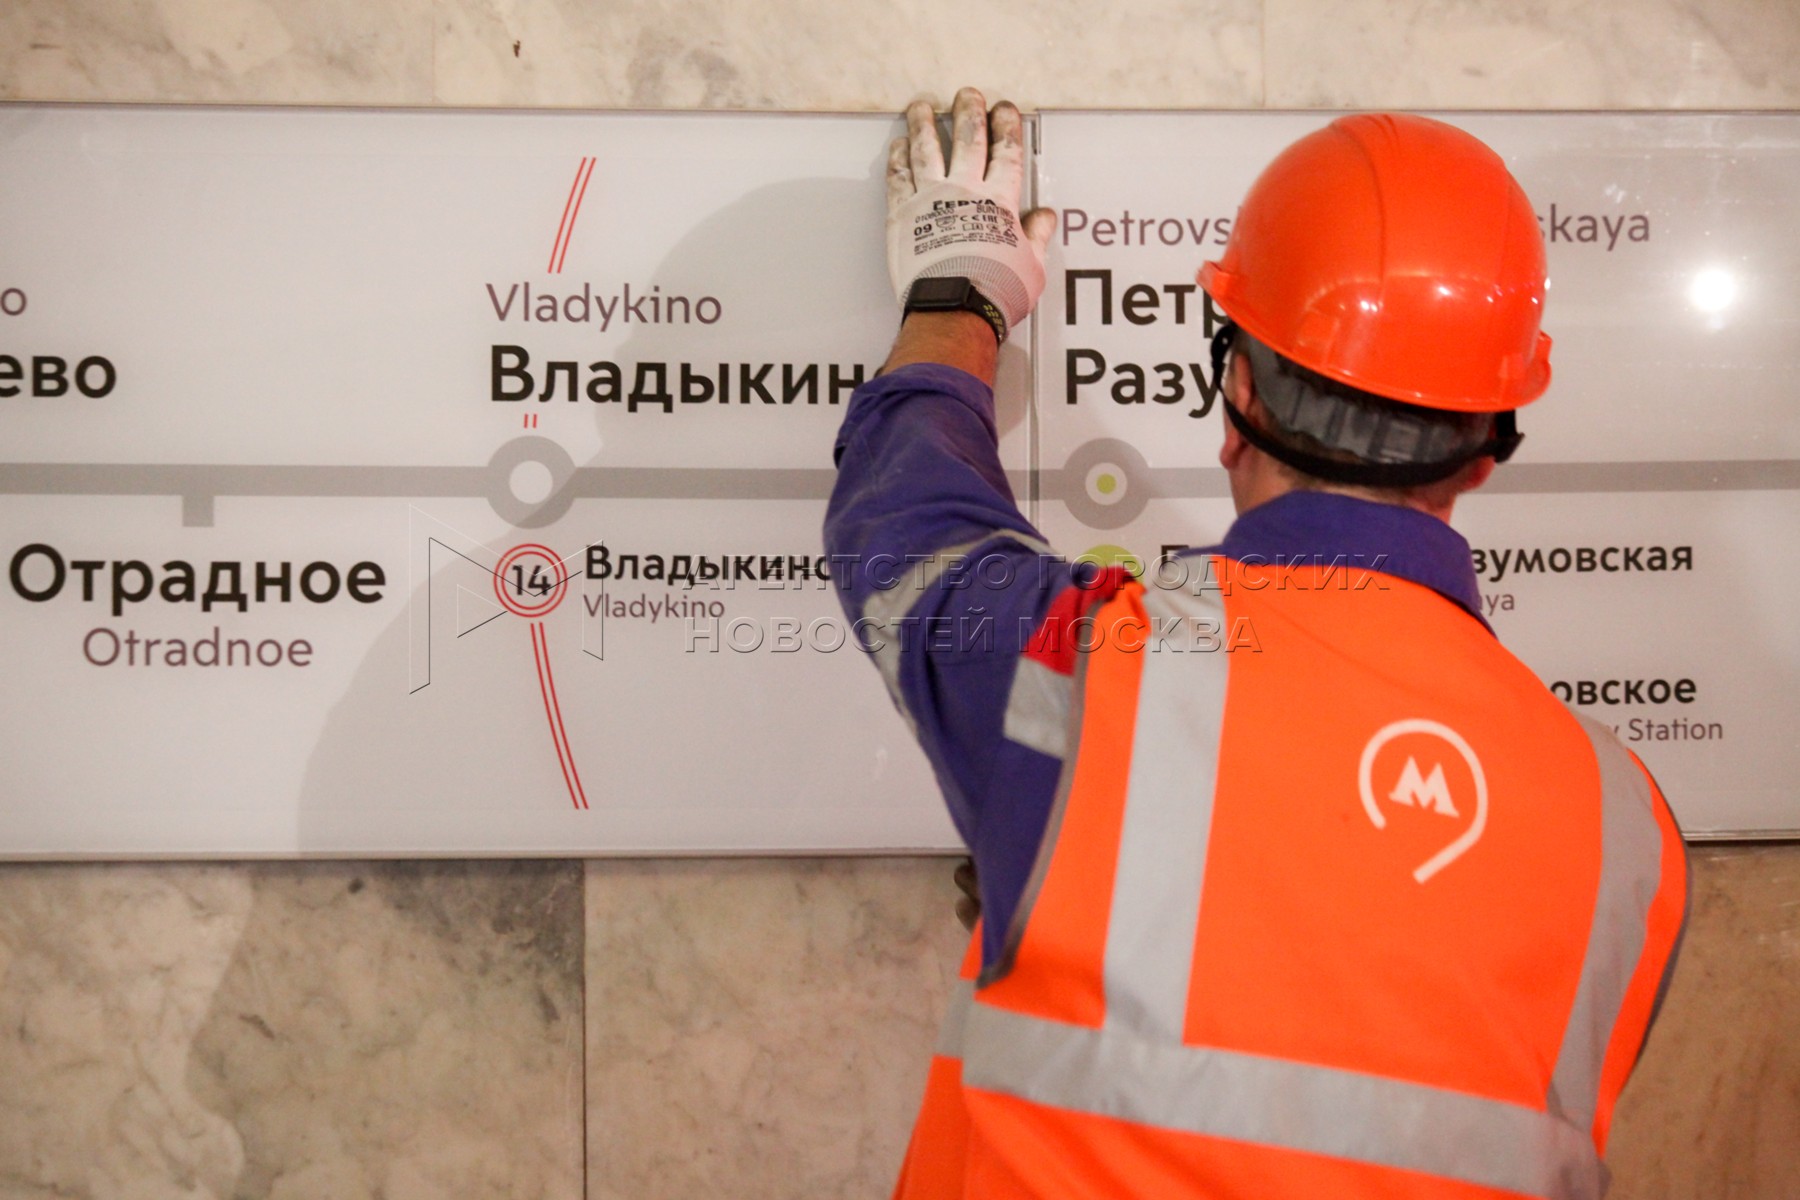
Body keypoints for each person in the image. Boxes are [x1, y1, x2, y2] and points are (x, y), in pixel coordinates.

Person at [825, 88, 1688, 1199]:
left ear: (1236, 393)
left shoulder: (1092, 675)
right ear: (1484, 453)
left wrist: (959, 296)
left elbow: (905, 523)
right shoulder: (1629, 829)